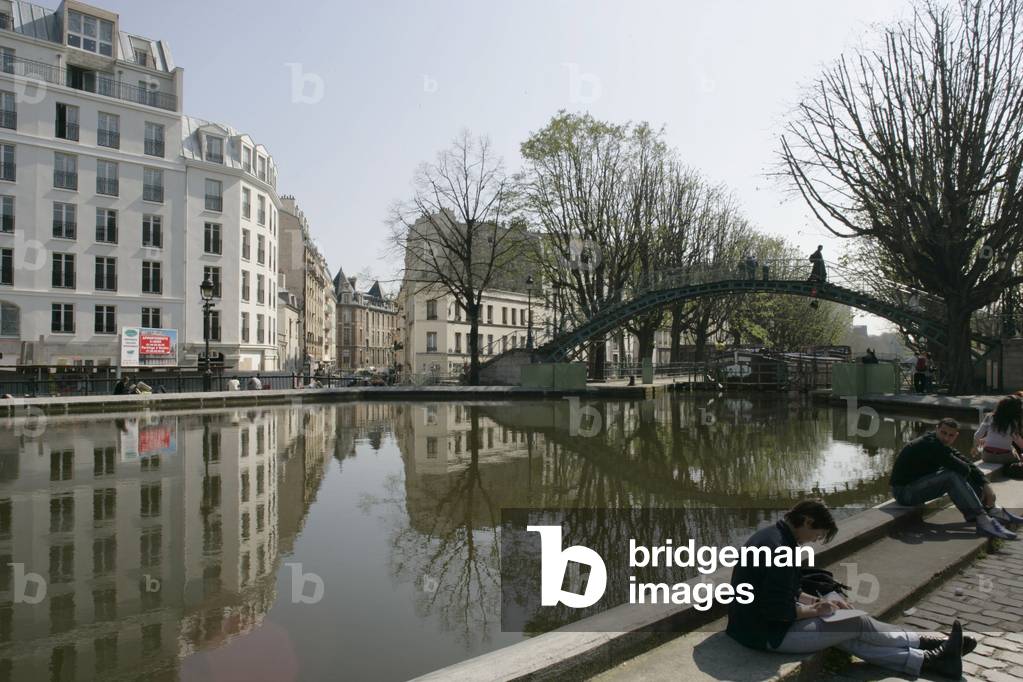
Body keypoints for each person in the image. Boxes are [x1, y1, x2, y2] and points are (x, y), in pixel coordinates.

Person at [726, 500, 970, 678]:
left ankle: (930, 659)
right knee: (853, 624)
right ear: (808, 521)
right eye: (817, 534)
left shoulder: (774, 537)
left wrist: (816, 602)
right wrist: (817, 611)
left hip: (750, 625)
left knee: (847, 632)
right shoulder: (781, 549)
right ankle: (925, 644)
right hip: (766, 633)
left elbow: (787, 590)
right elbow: (777, 609)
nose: (814, 540)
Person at [890, 418, 1022, 540]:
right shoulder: (930, 444)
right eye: (943, 433)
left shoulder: (939, 443)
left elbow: (967, 463)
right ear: (937, 429)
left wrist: (986, 484)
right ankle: (983, 520)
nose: (946, 437)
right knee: (953, 475)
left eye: (950, 435)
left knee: (957, 472)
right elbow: (963, 468)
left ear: (956, 435)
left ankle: (991, 510)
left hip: (918, 486)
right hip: (904, 492)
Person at [974, 396, 1023, 465]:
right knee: (1014, 450)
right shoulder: (1013, 422)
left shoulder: (989, 417)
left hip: (987, 456)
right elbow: (1019, 442)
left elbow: (977, 435)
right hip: (1005, 458)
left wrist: (975, 445)